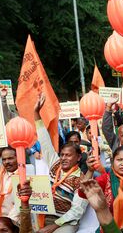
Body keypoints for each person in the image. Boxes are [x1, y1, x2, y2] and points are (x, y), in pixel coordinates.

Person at [35, 93, 87, 232]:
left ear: (78, 157)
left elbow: (76, 211)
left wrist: (52, 227)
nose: (64, 158)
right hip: (43, 214)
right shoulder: (55, 164)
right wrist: (36, 114)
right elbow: (44, 141)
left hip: (65, 221)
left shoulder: (81, 180)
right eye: (62, 155)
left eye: (68, 155)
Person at [83, 146, 123, 232]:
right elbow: (84, 192)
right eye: (119, 160)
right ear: (112, 161)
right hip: (109, 227)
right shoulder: (106, 179)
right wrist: (90, 171)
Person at [0, 145, 35, 222]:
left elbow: (18, 208)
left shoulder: (26, 175)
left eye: (10, 158)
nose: (7, 162)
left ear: (19, 158)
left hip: (15, 222)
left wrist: (6, 223)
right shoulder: (1, 172)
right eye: (4, 159)